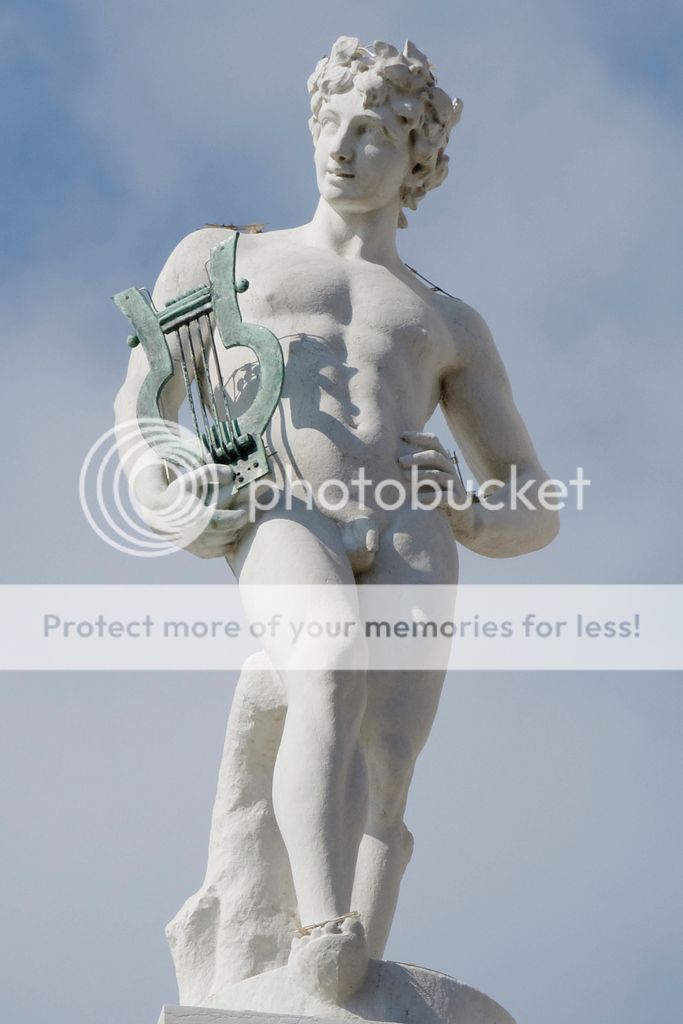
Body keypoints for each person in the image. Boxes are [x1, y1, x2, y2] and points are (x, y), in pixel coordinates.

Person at [115, 36, 558, 1003]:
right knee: (323, 668)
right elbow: (143, 404)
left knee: (388, 763)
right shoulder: (226, 257)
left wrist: (473, 514)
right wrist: (167, 490)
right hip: (284, 506)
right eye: (330, 123)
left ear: (416, 159)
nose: (341, 148)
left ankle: (352, 965)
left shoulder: (446, 320)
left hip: (409, 524)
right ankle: (322, 923)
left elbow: (534, 498)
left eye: (370, 133)